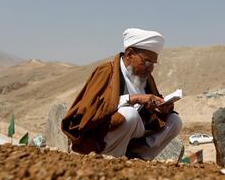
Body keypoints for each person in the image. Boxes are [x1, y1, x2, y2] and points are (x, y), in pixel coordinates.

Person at [61, 28, 182, 160]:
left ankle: (140, 157)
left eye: (153, 64)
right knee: (129, 114)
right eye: (147, 62)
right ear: (130, 54)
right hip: (104, 134)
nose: (150, 68)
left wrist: (161, 107)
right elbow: (90, 109)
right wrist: (133, 99)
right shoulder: (106, 71)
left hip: (136, 131)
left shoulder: (145, 76)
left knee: (175, 121)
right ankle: (111, 159)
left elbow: (150, 108)